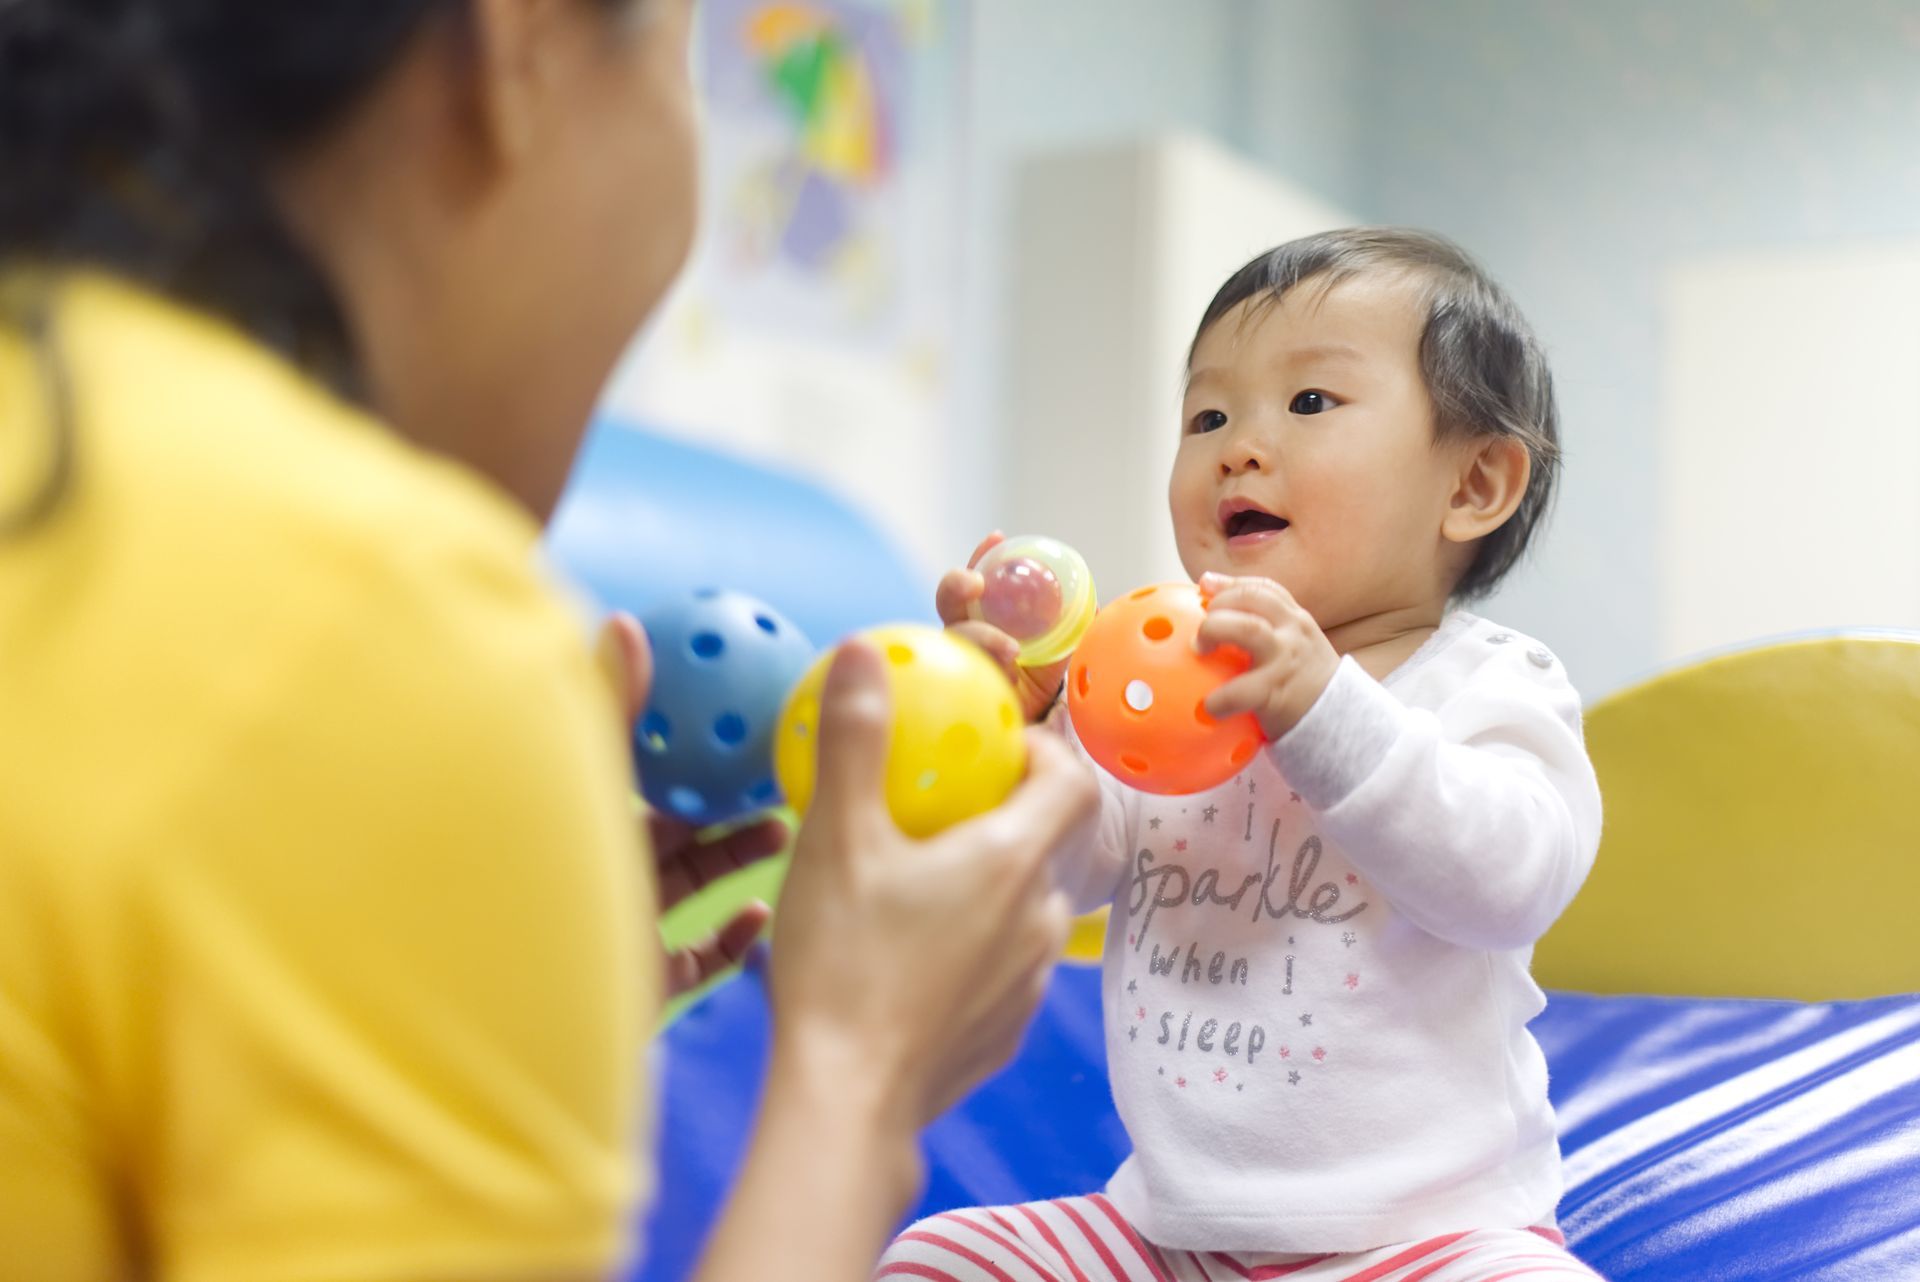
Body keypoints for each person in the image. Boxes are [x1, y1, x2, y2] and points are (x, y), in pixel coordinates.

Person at [0, 3, 1096, 1281]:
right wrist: (859, 1077)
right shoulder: (382, 613)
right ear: (517, 47)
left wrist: (445, 1010)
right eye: (688, 67)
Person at [897, 229, 1608, 1281]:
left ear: (1474, 485)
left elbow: (1509, 882)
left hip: (1423, 1236)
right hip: (1164, 1234)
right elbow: (1067, 872)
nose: (1237, 446)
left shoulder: (1493, 685)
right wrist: (1020, 731)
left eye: (1310, 403)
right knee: (944, 1255)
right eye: (1208, 414)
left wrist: (1323, 707)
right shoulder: (1164, 679)